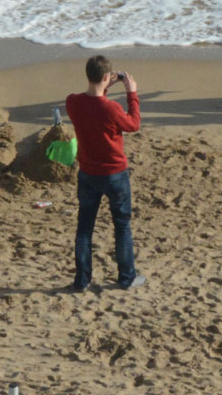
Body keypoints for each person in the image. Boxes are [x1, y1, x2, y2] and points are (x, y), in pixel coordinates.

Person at [65, 55, 144, 291]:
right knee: (122, 226)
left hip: (88, 173)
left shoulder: (73, 102)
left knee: (85, 227)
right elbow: (133, 124)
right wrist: (132, 93)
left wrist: (104, 87)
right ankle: (126, 277)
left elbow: (94, 109)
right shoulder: (111, 109)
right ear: (107, 77)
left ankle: (82, 280)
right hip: (114, 174)